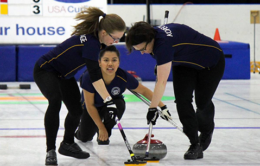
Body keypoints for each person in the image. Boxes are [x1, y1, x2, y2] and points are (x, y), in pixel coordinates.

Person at [33, 7, 126, 166]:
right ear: (103, 32)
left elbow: (100, 69)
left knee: (77, 110)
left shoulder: (99, 43)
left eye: (119, 38)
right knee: (55, 100)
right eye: (115, 38)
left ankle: (67, 144)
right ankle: (51, 151)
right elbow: (95, 76)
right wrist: (108, 100)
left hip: (64, 75)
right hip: (46, 70)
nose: (116, 42)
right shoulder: (92, 43)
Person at [125, 21, 225, 160]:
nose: (142, 53)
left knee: (202, 102)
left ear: (150, 39)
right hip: (184, 64)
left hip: (211, 62)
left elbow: (162, 82)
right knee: (182, 101)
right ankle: (195, 144)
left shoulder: (163, 45)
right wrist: (161, 63)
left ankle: (206, 131)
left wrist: (153, 108)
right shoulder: (152, 36)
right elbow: (164, 55)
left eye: (143, 49)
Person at [75, 45, 170, 145]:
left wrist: (162, 106)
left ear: (118, 62)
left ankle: (104, 134)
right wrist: (100, 126)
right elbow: (90, 105)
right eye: (106, 60)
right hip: (93, 107)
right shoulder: (89, 77)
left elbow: (144, 91)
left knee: (119, 104)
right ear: (99, 62)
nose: (110, 64)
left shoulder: (124, 76)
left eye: (114, 60)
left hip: (111, 106)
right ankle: (83, 131)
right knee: (85, 138)